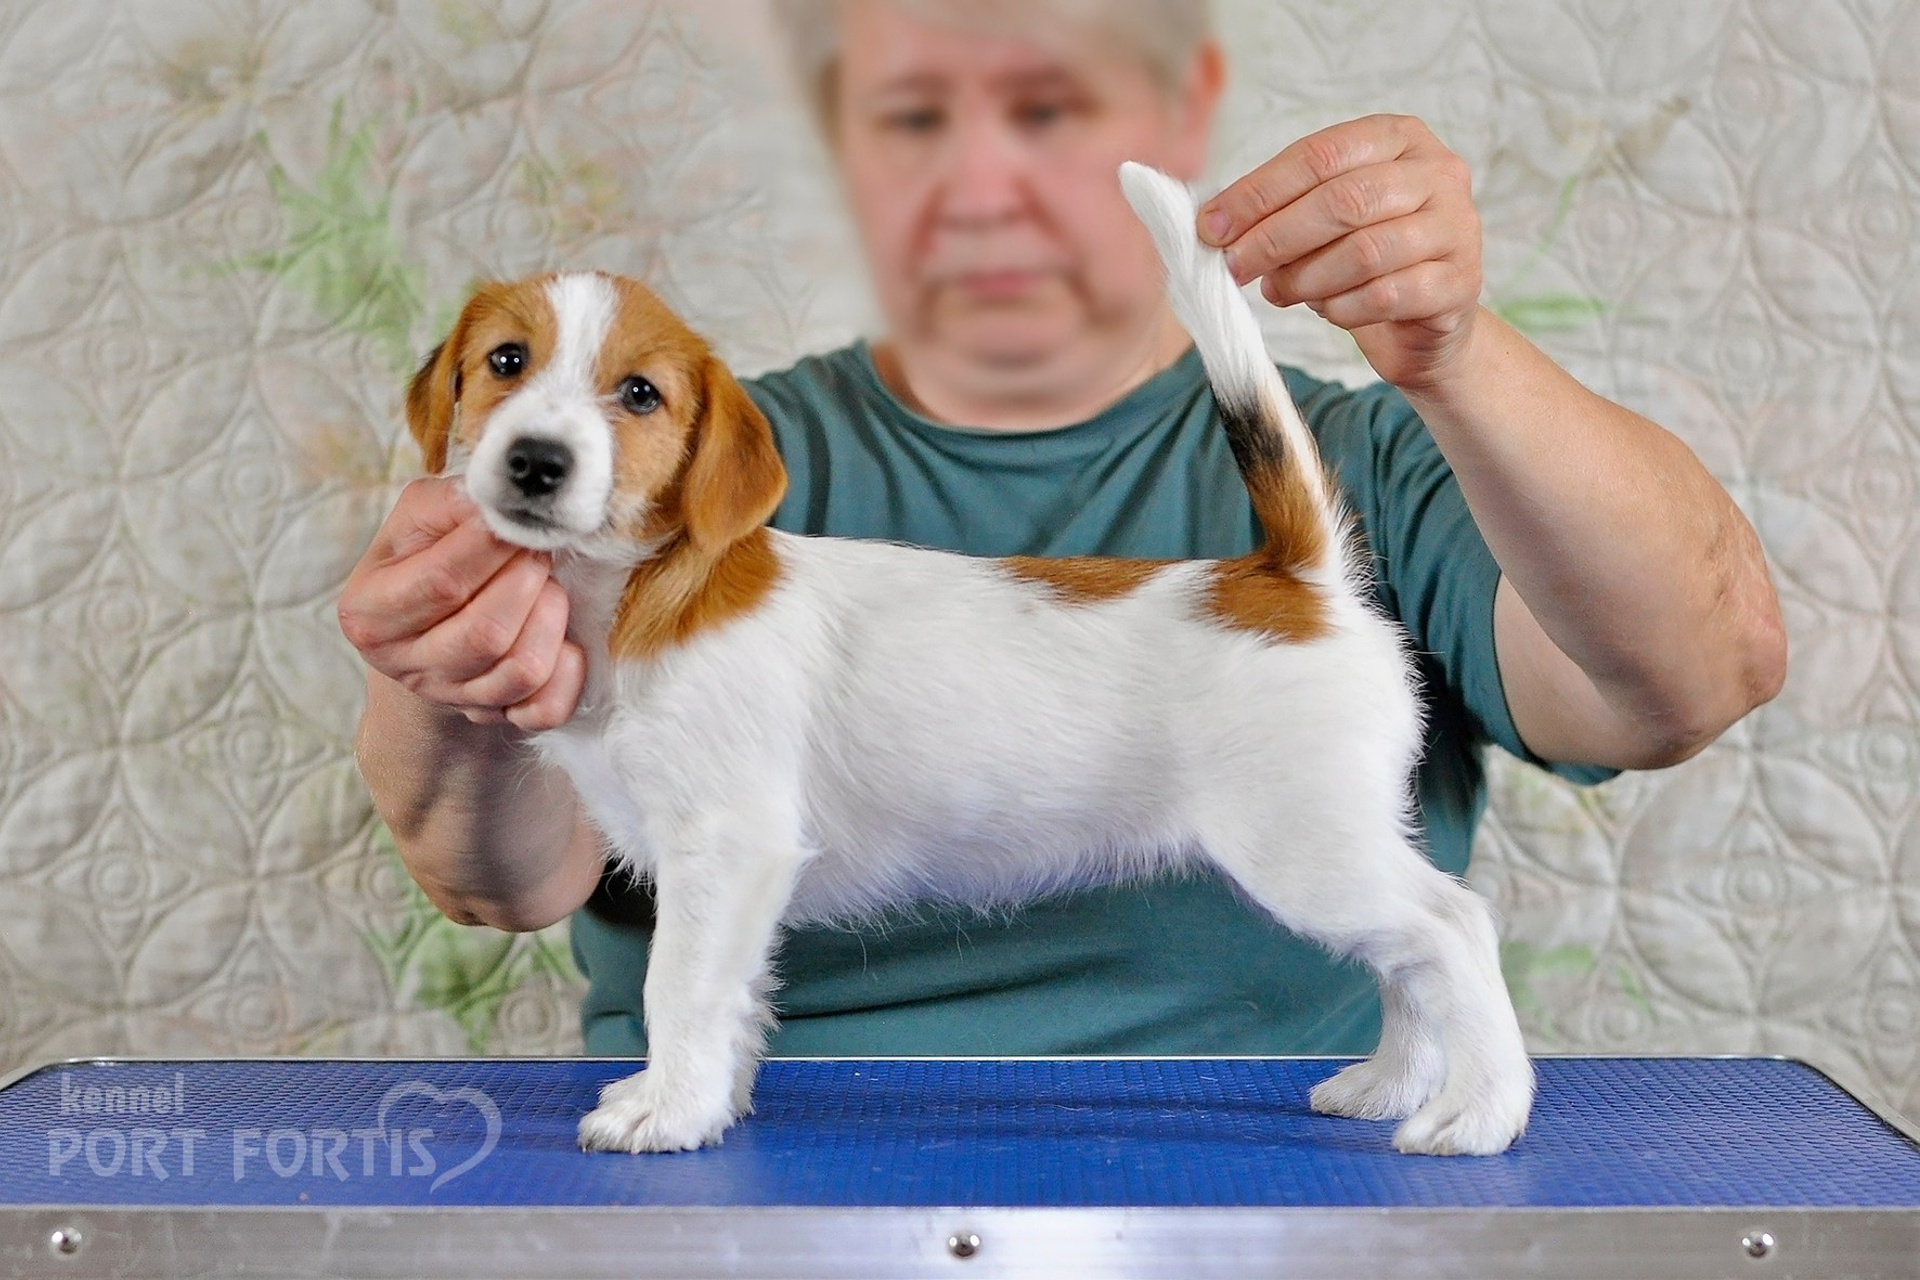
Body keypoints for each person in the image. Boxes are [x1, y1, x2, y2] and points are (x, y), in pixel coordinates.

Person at [339, 0, 1786, 1057]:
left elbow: (1695, 680)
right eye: (915, 113)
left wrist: (1454, 347)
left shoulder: (1383, 454)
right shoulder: (676, 463)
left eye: (1047, 107)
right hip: (753, 1187)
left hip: (1253, 1164)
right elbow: (499, 882)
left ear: (1184, 100)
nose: (982, 179)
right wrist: (455, 677)